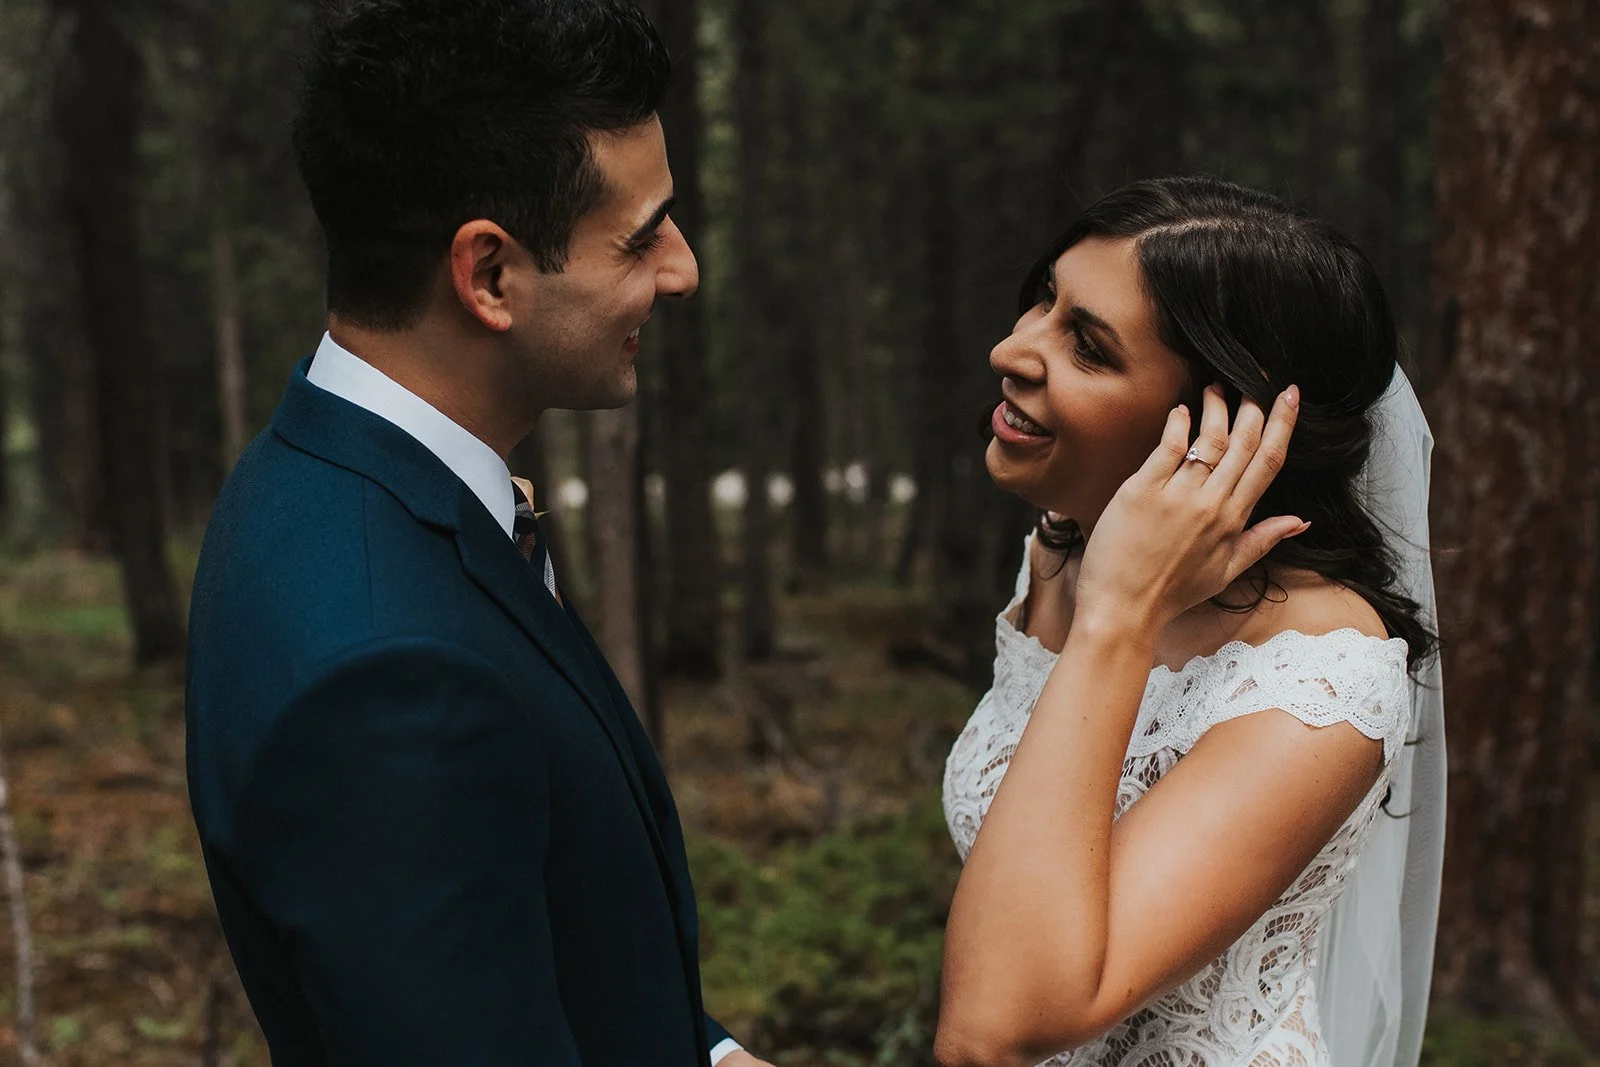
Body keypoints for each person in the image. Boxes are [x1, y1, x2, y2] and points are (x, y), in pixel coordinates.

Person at [184, 3, 771, 1063]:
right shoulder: (389, 679)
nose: (680, 269)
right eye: (642, 236)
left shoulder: (332, 473)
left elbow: (537, 945)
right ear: (489, 274)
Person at [936, 176, 1445, 1067]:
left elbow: (993, 1028)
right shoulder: (1060, 551)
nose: (1011, 350)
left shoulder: (1321, 675)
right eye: (1043, 302)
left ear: (1227, 424)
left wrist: (1119, 619)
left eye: (1088, 347)